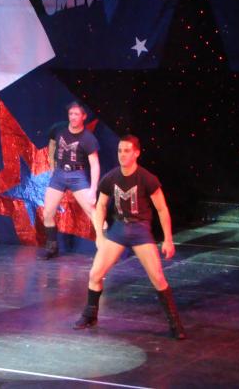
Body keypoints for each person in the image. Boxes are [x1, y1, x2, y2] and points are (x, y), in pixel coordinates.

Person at [73, 135, 186, 339]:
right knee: (95, 274)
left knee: (157, 277)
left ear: (136, 153)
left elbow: (162, 209)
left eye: (127, 151)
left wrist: (168, 239)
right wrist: (99, 235)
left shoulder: (147, 178)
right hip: (118, 229)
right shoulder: (111, 177)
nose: (122, 155)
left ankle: (175, 323)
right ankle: (90, 315)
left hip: (140, 230)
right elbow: (100, 206)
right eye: (120, 151)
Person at [40, 101, 100, 259]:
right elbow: (52, 144)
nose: (73, 117)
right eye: (71, 114)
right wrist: (52, 165)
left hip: (77, 175)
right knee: (47, 212)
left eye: (76, 114)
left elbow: (95, 165)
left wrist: (93, 189)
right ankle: (52, 248)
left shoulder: (88, 138)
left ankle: (106, 248)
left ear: (83, 117)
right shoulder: (59, 129)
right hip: (59, 174)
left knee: (93, 212)